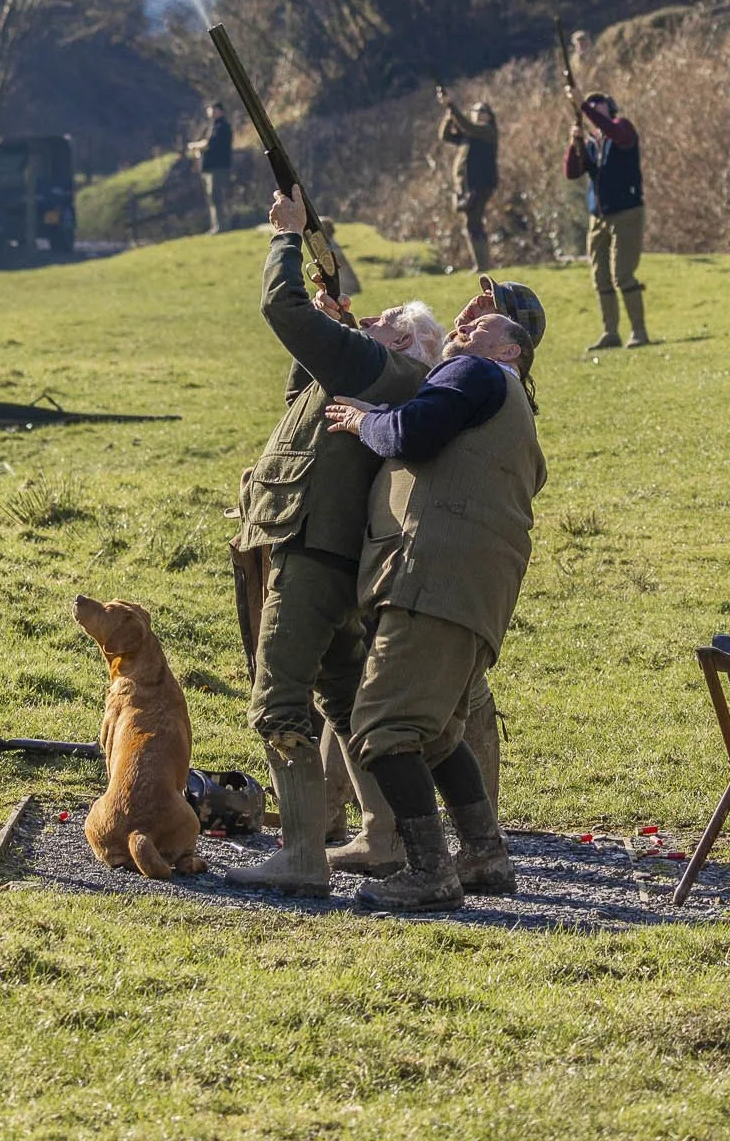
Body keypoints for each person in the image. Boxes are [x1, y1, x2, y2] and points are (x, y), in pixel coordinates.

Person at [224, 191, 432, 897]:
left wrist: (284, 238)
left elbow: (279, 312)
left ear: (403, 344)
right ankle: (380, 836)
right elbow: (299, 402)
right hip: (329, 550)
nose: (366, 320)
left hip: (314, 550)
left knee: (277, 703)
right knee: (343, 703)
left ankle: (301, 856)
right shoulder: (372, 372)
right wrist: (330, 319)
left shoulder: (387, 372)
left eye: (380, 322)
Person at [325, 274, 547, 910]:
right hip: (475, 595)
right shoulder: (511, 405)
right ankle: (484, 855)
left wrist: (367, 421)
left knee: (382, 726)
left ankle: (431, 872)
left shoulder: (473, 375)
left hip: (433, 580)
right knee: (440, 734)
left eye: (485, 322)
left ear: (513, 349)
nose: (467, 324)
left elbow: (411, 435)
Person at [564, 84, 650, 350]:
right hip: (598, 217)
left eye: (598, 103)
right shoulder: (592, 143)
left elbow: (614, 131)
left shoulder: (622, 128)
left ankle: (639, 331)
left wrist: (584, 107)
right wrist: (574, 141)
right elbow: (572, 172)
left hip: (626, 212)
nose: (594, 106)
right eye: (591, 103)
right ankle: (610, 332)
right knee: (600, 276)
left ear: (609, 107)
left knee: (623, 274)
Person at [436, 89, 499, 273]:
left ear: (489, 117)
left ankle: (482, 265)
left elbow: (468, 126)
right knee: (471, 223)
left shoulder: (487, 132)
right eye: (475, 111)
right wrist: (449, 115)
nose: (478, 114)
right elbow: (445, 136)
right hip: (467, 186)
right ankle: (480, 264)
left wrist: (452, 106)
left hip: (482, 185)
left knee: (474, 222)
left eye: (482, 111)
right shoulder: (470, 135)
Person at [188, 101, 234, 234]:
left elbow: (209, 144)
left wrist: (195, 146)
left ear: (221, 111)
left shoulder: (222, 127)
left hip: (218, 167)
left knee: (216, 196)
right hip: (210, 167)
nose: (211, 113)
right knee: (212, 197)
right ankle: (216, 225)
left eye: (214, 110)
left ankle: (221, 226)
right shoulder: (212, 126)